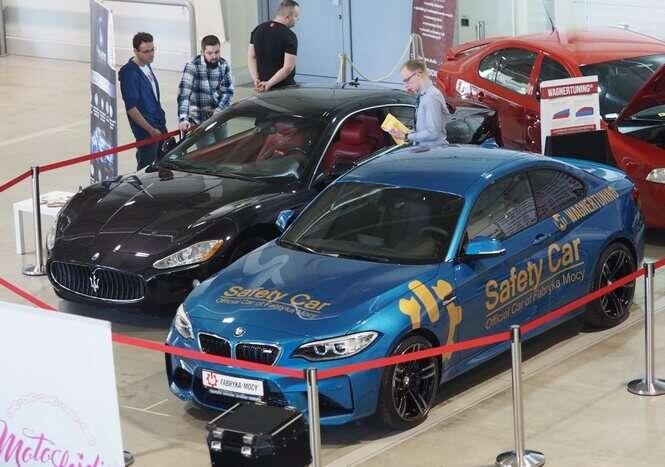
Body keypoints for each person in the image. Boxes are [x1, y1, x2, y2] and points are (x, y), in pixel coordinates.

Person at [119, 32, 167, 170]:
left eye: (152, 50)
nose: (151, 54)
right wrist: (150, 130)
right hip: (147, 132)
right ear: (135, 51)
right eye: (146, 51)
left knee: (162, 165)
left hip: (159, 124)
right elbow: (131, 108)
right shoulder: (129, 73)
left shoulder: (146, 65)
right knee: (146, 169)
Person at [177, 35, 234, 133]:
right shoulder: (192, 66)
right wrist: (183, 118)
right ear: (202, 52)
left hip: (219, 117)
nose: (214, 56)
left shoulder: (224, 64)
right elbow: (184, 95)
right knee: (208, 143)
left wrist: (218, 111)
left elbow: (228, 92)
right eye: (210, 53)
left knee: (224, 143)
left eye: (217, 52)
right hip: (198, 120)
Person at [388, 59, 450, 147]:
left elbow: (433, 133)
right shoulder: (423, 96)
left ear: (418, 75)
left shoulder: (431, 97)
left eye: (407, 80)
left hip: (433, 151)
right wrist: (405, 133)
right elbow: (424, 130)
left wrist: (406, 136)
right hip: (425, 150)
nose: (406, 86)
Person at [248, 0, 300, 92]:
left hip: (262, 87)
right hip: (285, 89)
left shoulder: (257, 29)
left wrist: (256, 79)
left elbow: (251, 57)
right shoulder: (289, 35)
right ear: (287, 17)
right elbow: (288, 68)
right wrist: (269, 83)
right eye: (296, 16)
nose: (297, 19)